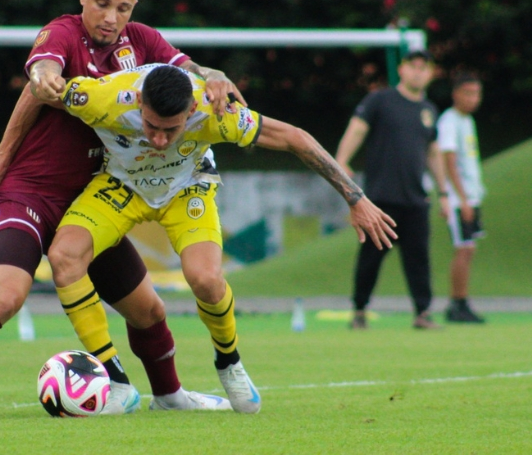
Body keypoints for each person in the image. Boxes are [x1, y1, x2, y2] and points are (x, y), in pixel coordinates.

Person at [0, 0, 243, 417]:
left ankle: (170, 397)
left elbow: (189, 71)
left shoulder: (142, 41)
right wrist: (5, 149)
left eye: (123, 7)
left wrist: (214, 76)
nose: (111, 17)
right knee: (4, 295)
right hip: (29, 193)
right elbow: (40, 76)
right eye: (101, 3)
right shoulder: (61, 32)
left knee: (150, 312)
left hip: (90, 203)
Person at [38, 64, 397, 414]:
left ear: (191, 110)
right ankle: (117, 383)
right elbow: (39, 89)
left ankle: (229, 362)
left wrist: (356, 198)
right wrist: (39, 80)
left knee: (207, 280)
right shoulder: (104, 96)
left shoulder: (214, 110)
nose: (159, 140)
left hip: (187, 189)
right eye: (150, 126)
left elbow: (293, 137)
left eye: (171, 129)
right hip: (120, 188)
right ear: (138, 101)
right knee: (64, 258)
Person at [335, 49, 450, 330]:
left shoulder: (428, 110)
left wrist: (444, 193)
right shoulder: (381, 100)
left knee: (419, 260)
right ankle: (359, 310)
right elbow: (357, 128)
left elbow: (433, 153)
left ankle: (422, 313)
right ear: (402, 69)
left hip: (415, 200)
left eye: (425, 67)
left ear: (431, 73)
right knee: (370, 260)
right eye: (414, 66)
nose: (418, 72)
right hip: (381, 199)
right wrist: (340, 162)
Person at [437, 74, 486, 323]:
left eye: (477, 93)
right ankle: (457, 304)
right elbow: (449, 160)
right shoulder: (449, 120)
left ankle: (462, 301)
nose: (473, 99)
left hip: (471, 196)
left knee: (469, 249)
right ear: (456, 93)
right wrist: (463, 199)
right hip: (459, 199)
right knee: (463, 248)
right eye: (468, 93)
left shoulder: (468, 121)